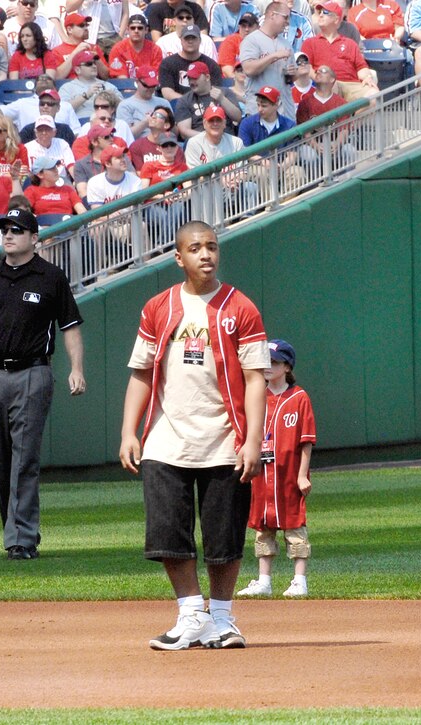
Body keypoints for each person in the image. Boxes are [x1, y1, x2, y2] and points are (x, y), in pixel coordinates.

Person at [119, 219, 269, 650]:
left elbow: (256, 378)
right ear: (178, 257)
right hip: (166, 440)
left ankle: (221, 619)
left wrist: (254, 440)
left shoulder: (240, 307)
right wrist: (130, 431)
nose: (206, 254)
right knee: (168, 534)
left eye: (212, 247)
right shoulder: (159, 307)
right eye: (196, 248)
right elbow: (141, 372)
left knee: (224, 539)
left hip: (226, 440)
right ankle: (190, 614)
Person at [0, 207, 86, 560]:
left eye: (17, 229)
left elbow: (70, 326)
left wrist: (76, 368)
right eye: (4, 229)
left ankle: (21, 539)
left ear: (33, 237)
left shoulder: (50, 277)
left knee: (24, 458)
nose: (8, 235)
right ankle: (13, 529)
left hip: (33, 372)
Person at [236, 338, 316, 598]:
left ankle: (299, 580)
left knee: (295, 528)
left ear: (287, 367)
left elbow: (306, 441)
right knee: (263, 528)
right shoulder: (256, 397)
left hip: (289, 475)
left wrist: (302, 474)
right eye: (266, 361)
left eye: (274, 362)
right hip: (262, 476)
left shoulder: (299, 397)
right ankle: (264, 580)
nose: (268, 366)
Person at [299, 2, 378, 103]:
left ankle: (350, 117)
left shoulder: (350, 43)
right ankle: (348, 117)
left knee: (373, 94)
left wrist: (367, 77)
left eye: (326, 12)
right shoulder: (310, 43)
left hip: (351, 84)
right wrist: (318, 78)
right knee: (330, 86)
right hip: (325, 84)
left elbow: (361, 67)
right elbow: (307, 67)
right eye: (320, 12)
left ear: (336, 19)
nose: (321, 15)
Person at [238, 2, 295, 117]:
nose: (288, 21)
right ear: (272, 15)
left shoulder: (286, 44)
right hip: (259, 112)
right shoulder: (251, 40)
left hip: (284, 113)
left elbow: (291, 78)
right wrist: (274, 56)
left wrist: (294, 73)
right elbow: (248, 69)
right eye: (285, 17)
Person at [173, 60, 241, 139]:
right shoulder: (184, 100)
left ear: (207, 77)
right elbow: (184, 132)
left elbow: (237, 117)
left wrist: (222, 99)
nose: (191, 82)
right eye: (189, 78)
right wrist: (209, 137)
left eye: (195, 78)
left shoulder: (225, 92)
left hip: (226, 139)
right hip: (199, 142)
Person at [156, 23, 220, 101]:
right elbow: (167, 93)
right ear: (181, 41)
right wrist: (189, 103)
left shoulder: (211, 65)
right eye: (187, 38)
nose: (190, 41)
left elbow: (216, 92)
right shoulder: (167, 63)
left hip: (205, 106)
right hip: (177, 106)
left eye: (193, 38)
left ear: (200, 40)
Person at [3, 77, 81, 136]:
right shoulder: (23, 104)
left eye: (50, 103)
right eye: (42, 103)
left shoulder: (65, 127)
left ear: (58, 108)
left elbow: (76, 132)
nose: (45, 106)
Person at [59, 49, 121, 118]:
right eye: (89, 64)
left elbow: (123, 109)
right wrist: (86, 95)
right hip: (81, 125)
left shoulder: (108, 86)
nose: (94, 66)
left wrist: (113, 98)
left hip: (107, 123)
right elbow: (62, 110)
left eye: (94, 63)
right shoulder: (67, 87)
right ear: (77, 70)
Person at [116, 65, 171, 138]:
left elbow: (175, 133)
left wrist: (164, 121)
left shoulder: (164, 103)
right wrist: (145, 123)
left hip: (164, 142)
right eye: (146, 85)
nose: (150, 89)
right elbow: (125, 136)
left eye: (153, 86)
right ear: (137, 82)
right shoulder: (125, 105)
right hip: (138, 145)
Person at [107, 13, 162, 80]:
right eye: (133, 28)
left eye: (140, 28)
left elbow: (155, 76)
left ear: (146, 30)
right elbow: (120, 77)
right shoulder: (118, 49)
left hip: (149, 87)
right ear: (127, 29)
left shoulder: (155, 49)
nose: (136, 31)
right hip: (125, 87)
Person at [53, 12, 105, 80]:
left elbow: (106, 76)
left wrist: (97, 59)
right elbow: (58, 76)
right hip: (70, 87)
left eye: (87, 25)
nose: (86, 28)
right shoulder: (57, 51)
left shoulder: (93, 48)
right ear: (69, 29)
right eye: (81, 25)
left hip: (93, 85)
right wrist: (76, 52)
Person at [23, 114, 75, 183]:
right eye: (40, 130)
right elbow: (27, 173)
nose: (44, 133)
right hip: (38, 184)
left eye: (47, 129)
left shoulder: (62, 144)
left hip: (61, 182)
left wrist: (77, 182)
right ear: (35, 132)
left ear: (54, 132)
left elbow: (71, 166)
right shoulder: (27, 147)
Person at [217, 12, 258, 78]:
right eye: (243, 26)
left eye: (250, 26)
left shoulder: (262, 41)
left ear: (257, 27)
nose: (246, 29)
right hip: (234, 82)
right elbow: (227, 71)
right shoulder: (230, 41)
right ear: (239, 27)